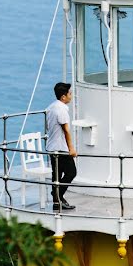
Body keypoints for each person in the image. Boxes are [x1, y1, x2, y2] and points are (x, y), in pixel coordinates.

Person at [46, 82, 77, 211]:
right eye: (69, 93)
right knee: (71, 172)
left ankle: (57, 201)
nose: (71, 95)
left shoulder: (51, 107)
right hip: (60, 147)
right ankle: (57, 195)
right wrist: (71, 148)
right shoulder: (62, 109)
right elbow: (66, 130)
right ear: (63, 97)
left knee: (57, 175)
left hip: (51, 146)